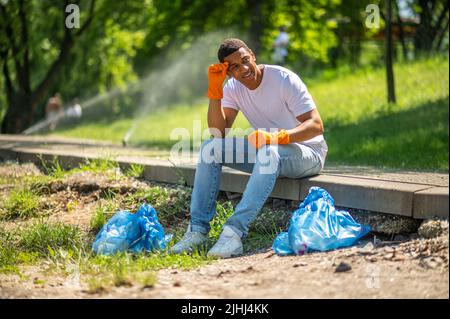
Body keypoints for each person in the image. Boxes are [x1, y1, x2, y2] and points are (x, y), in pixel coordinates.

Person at [170, 38, 327, 258]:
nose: (243, 68)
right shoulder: (233, 88)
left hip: (308, 153)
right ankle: (197, 231)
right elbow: (219, 133)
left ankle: (233, 234)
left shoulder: (282, 79)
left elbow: (316, 126)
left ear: (252, 55)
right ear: (228, 72)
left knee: (268, 151)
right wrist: (215, 92)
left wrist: (277, 137)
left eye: (245, 60)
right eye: (234, 66)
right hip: (269, 154)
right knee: (210, 148)